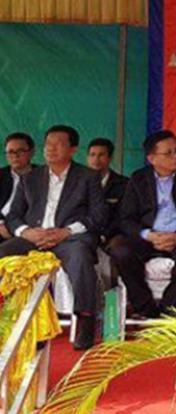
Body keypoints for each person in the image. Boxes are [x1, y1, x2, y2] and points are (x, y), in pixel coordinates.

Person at [0, 125, 106, 349]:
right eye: (48, 144)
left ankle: (86, 320)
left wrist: (66, 231)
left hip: (69, 239)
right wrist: (26, 232)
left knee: (80, 257)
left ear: (73, 149)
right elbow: (13, 215)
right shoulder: (30, 177)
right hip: (34, 238)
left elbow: (98, 215)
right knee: (5, 251)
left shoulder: (88, 177)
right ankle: (10, 319)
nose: (50, 148)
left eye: (58, 144)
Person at [111, 131, 176, 320]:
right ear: (152, 158)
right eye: (169, 153)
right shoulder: (138, 179)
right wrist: (148, 235)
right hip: (149, 237)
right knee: (120, 251)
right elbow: (126, 219)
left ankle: (169, 308)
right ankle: (144, 307)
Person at [86, 138, 130, 241]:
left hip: (113, 235)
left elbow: (124, 216)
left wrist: (104, 235)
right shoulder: (77, 183)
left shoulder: (125, 184)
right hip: (83, 235)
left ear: (110, 158)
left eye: (101, 155)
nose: (96, 159)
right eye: (92, 155)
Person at [0, 132, 36, 239]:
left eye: (20, 151)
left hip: (28, 227)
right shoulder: (1, 175)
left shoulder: (43, 176)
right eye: (10, 152)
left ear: (31, 153)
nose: (15, 156)